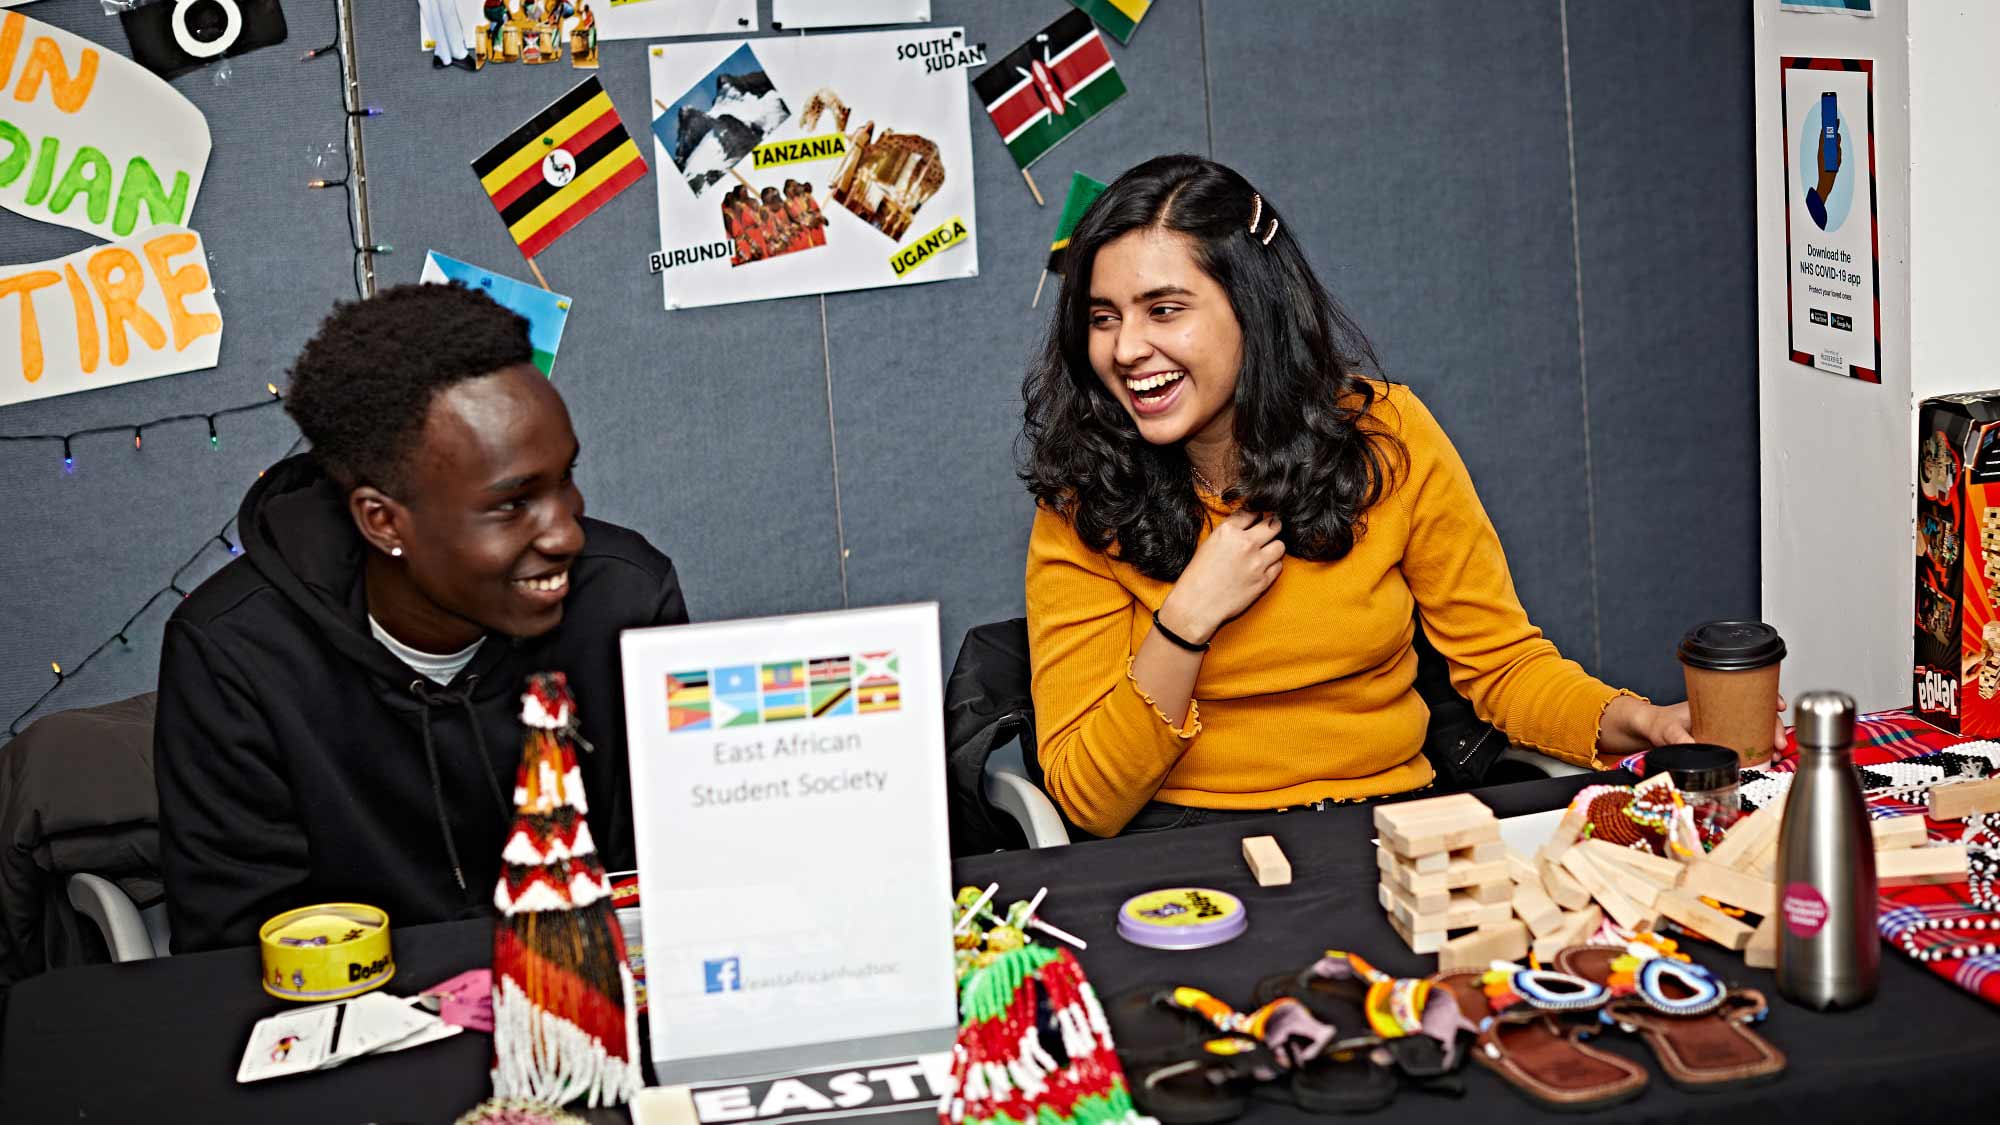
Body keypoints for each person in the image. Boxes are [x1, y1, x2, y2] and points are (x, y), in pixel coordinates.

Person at [1020, 155, 1773, 837]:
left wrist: (1636, 719)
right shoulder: (1083, 501)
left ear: (1253, 306)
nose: (1124, 349)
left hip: (1394, 828)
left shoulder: (1388, 434)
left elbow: (1502, 665)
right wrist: (1186, 620)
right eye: (1103, 317)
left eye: (1164, 309)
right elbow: (1090, 798)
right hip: (1192, 846)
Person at [155, 284, 690, 951]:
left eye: (564, 479)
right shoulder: (235, 654)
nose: (567, 535)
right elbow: (232, 957)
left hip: (589, 1008)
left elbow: (685, 879)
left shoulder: (625, 602)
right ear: (383, 521)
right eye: (513, 504)